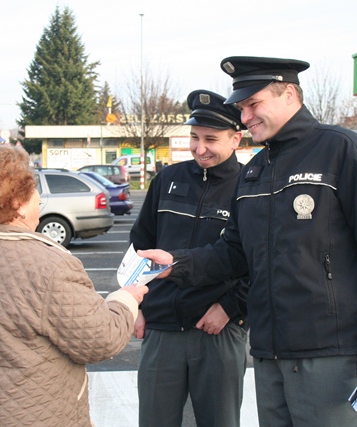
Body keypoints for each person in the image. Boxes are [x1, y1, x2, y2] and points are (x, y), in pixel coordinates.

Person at [139, 56, 357, 426]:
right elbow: (233, 254)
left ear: (289, 95)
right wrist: (176, 264)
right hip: (269, 356)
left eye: (254, 104)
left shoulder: (342, 149)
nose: (246, 115)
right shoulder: (255, 171)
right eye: (242, 107)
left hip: (329, 353)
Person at [0, 144, 148, 427]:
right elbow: (101, 339)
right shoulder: (46, 264)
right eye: (33, 189)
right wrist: (126, 299)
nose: (39, 197)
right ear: (18, 204)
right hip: (33, 413)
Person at [130, 89, 249, 427]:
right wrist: (136, 305)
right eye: (194, 137)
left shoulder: (249, 187)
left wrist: (231, 308)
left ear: (236, 139)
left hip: (217, 329)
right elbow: (140, 245)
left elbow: (260, 260)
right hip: (161, 327)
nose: (199, 148)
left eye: (211, 139)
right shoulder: (167, 179)